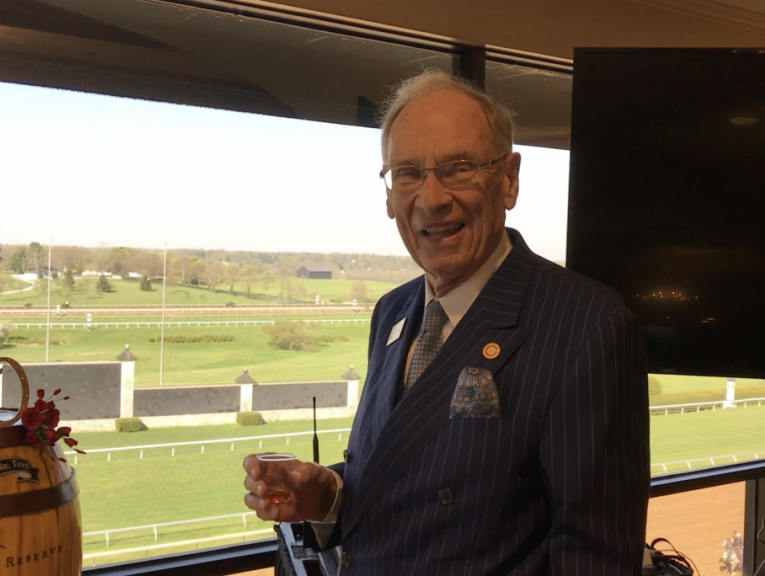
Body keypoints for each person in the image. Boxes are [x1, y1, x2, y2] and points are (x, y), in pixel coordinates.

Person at [243, 69, 650, 575]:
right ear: (390, 195)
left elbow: (596, 560)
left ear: (508, 180)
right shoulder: (392, 312)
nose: (431, 199)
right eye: (407, 173)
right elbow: (403, 478)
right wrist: (329, 497)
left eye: (458, 168)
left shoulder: (586, 326)